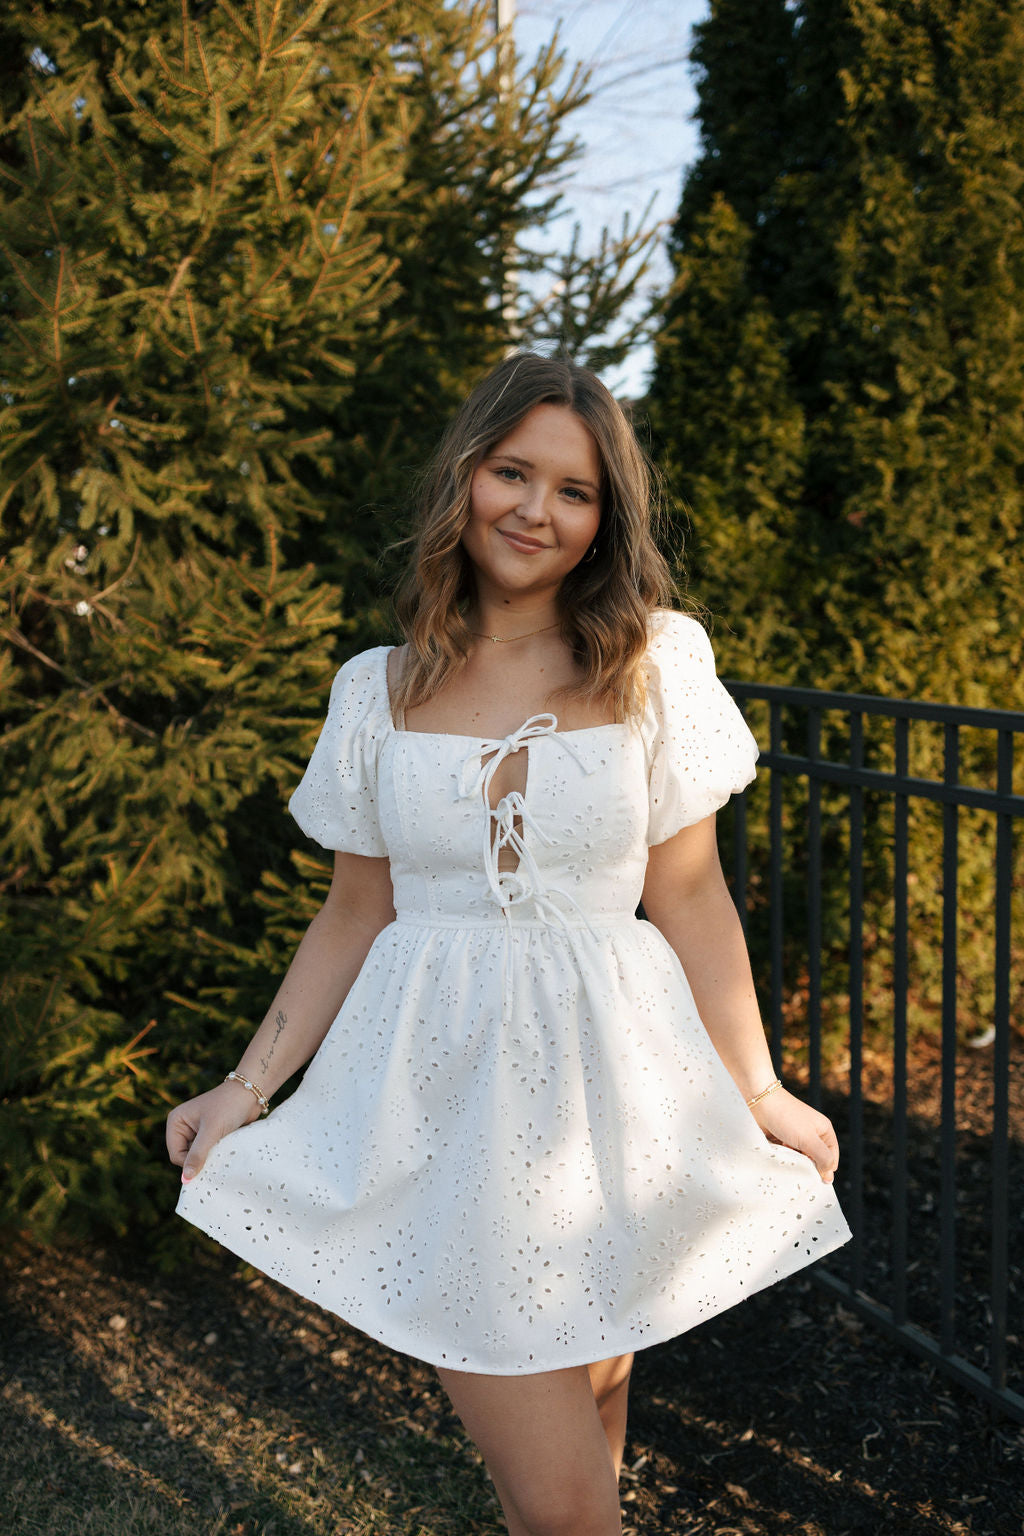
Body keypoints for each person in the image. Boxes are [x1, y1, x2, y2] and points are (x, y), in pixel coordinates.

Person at [167, 352, 850, 1536]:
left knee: (593, 1432)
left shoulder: (652, 664)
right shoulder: (377, 690)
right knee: (573, 1511)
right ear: (465, 479)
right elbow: (354, 912)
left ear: (604, 518)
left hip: (612, 1107)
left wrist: (759, 1091)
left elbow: (690, 896)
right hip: (440, 1112)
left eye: (574, 491)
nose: (537, 510)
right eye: (512, 473)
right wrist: (247, 1084)